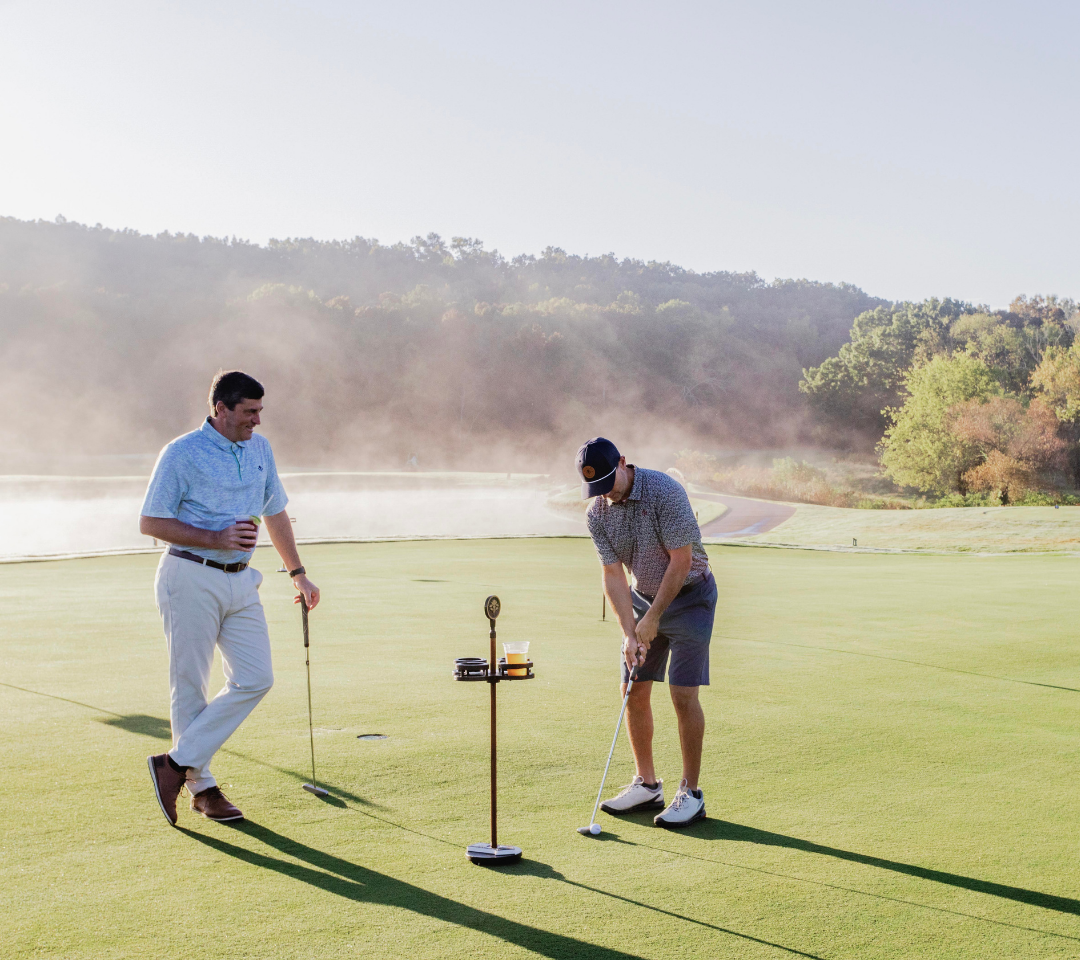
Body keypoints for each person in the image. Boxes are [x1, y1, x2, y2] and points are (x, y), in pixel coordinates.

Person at [140, 370, 320, 825]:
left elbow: (274, 509)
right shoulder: (181, 453)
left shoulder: (259, 448)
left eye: (261, 411)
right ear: (221, 408)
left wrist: (298, 573)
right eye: (249, 412)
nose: (257, 420)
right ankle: (202, 789)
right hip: (189, 575)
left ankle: (174, 765)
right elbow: (151, 522)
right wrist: (215, 537)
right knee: (190, 687)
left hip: (242, 579)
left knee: (257, 677)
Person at [578, 437, 716, 827]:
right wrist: (629, 631)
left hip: (690, 597)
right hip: (641, 599)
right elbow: (612, 573)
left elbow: (681, 560)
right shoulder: (597, 512)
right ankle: (647, 784)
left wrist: (653, 618)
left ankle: (691, 793)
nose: (607, 492)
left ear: (623, 462)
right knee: (633, 690)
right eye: (598, 487)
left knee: (682, 695)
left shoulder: (665, 492)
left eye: (611, 481)